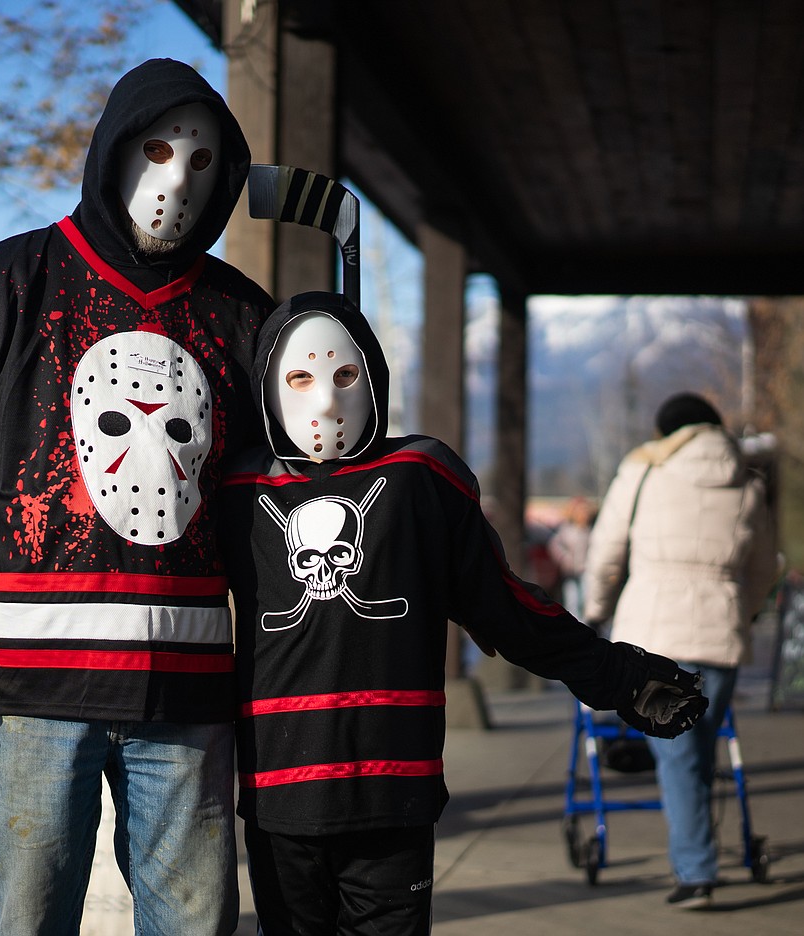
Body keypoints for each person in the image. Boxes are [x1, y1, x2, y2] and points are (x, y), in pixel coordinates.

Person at [0, 58, 275, 936]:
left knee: (197, 928)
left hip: (188, 695)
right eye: (158, 150)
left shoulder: (243, 317)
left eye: (203, 164)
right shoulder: (1, 286)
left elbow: (279, 512)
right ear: (115, 149)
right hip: (28, 690)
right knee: (30, 922)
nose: (176, 180)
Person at [217, 292, 707, 935]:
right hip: (279, 795)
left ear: (373, 375)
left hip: (394, 790)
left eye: (345, 375)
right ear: (268, 389)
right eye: (300, 378)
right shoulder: (236, 489)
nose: (326, 402)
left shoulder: (421, 477)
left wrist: (621, 677)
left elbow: (504, 606)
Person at [584, 391, 779, 910]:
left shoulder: (644, 471)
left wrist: (594, 610)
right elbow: (763, 570)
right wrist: (742, 610)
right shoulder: (749, 484)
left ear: (667, 433)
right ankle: (699, 855)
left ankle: (696, 873)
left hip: (656, 633)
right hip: (721, 634)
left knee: (676, 757)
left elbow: (606, 553)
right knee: (695, 750)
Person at [548, 495, 595, 617]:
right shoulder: (566, 530)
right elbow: (555, 545)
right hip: (570, 571)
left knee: (585, 599)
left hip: (586, 570)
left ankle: (586, 624)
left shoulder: (590, 531)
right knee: (572, 600)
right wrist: (563, 559)